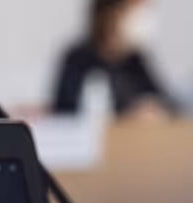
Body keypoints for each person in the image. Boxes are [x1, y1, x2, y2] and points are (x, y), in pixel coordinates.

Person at [51, 0, 179, 120]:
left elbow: (169, 105)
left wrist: (154, 109)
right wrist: (126, 114)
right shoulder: (78, 58)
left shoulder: (135, 60)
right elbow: (64, 112)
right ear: (112, 13)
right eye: (136, 10)